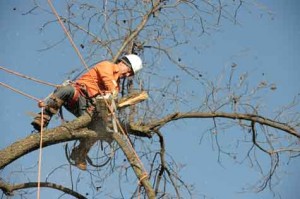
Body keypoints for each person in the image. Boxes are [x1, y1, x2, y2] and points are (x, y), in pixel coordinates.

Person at [31, 54, 143, 170]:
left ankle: (80, 153)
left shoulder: (117, 84)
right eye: (129, 71)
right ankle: (43, 117)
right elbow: (108, 82)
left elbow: (111, 98)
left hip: (88, 107)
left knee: (98, 127)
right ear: (123, 63)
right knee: (67, 89)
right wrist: (113, 93)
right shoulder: (107, 66)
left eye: (130, 74)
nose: (127, 75)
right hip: (77, 95)